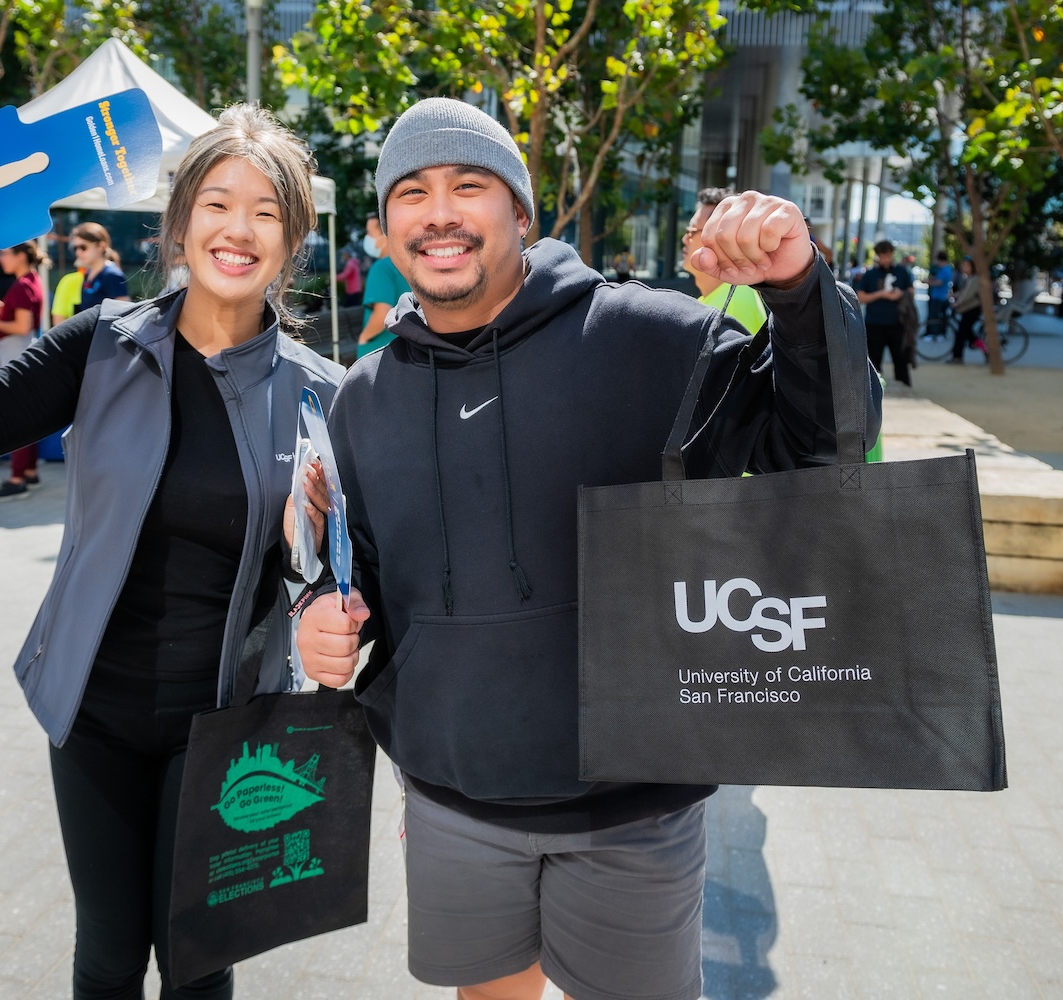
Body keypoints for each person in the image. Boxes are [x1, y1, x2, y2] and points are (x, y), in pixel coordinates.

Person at [295, 97, 879, 1000]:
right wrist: (321, 615)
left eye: (469, 185)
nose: (439, 213)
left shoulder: (654, 338)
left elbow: (824, 451)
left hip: (632, 812)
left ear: (521, 211)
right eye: (411, 192)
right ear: (385, 227)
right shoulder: (364, 396)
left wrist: (798, 289)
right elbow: (364, 571)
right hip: (452, 802)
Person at [0, 103, 344, 1000]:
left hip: (226, 725)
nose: (239, 230)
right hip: (94, 713)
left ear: (293, 240)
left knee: (197, 959)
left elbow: (345, 570)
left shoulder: (321, 396)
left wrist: (335, 606)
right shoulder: (103, 345)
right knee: (107, 956)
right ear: (180, 222)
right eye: (218, 204)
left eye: (266, 212)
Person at [0, 241, 46, 501]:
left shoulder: (23, 285)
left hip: (14, 356)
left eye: (5, 254)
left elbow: (22, 326)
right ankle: (29, 472)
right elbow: (21, 317)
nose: (0, 259)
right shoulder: (30, 281)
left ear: (21, 256)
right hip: (18, 354)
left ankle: (18, 479)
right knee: (25, 416)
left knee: (16, 418)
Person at [683, 188, 769, 334]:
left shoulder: (734, 303)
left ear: (721, 238)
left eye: (692, 232)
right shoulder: (720, 299)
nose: (685, 239)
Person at [856, 239, 914, 386]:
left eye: (888, 255)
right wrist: (880, 294)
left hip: (897, 323)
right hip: (875, 323)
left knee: (900, 360)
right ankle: (873, 390)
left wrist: (901, 294)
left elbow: (911, 291)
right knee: (873, 363)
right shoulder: (870, 274)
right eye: (882, 256)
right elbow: (860, 297)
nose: (885, 259)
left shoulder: (902, 272)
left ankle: (905, 387)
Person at [357, 235, 411, 358]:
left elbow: (382, 314)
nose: (368, 238)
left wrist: (364, 338)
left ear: (384, 234)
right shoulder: (411, 264)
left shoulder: (381, 268)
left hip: (380, 349)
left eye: (371, 232)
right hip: (410, 348)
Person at [72, 222, 131, 313]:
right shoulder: (88, 274)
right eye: (75, 248)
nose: (78, 252)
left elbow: (124, 312)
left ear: (100, 246)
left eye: (83, 247)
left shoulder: (112, 275)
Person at [950, 257, 984, 363]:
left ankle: (957, 357)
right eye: (963, 265)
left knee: (961, 333)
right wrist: (955, 295)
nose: (964, 267)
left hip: (972, 309)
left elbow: (967, 295)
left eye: (967, 265)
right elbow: (964, 292)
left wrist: (957, 303)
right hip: (968, 308)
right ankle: (984, 349)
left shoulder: (974, 279)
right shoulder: (969, 278)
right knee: (969, 333)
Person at [927, 250, 953, 339]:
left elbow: (939, 282)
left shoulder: (945, 270)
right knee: (940, 316)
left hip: (939, 297)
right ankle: (939, 333)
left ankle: (935, 334)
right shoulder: (945, 269)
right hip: (940, 296)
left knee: (935, 317)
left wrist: (928, 282)